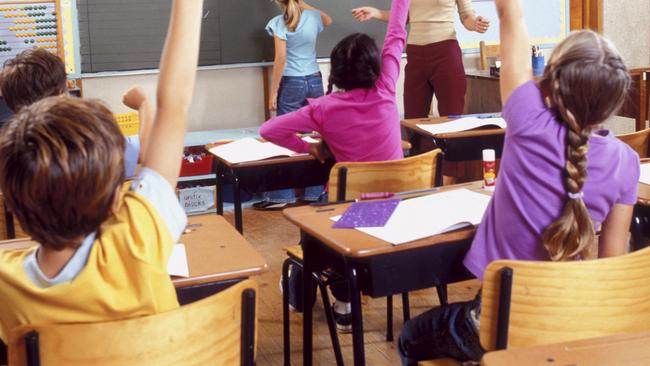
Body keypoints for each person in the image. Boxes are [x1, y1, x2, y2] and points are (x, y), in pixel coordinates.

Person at [397, 0, 639, 364]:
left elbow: (511, 14)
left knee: (409, 338)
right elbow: (611, 264)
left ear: (551, 85)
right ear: (614, 104)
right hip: (573, 322)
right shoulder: (627, 163)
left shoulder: (528, 119)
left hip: (500, 322)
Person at [0, 0, 203, 343]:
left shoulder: (7, 283)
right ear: (116, 199)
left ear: (16, 207)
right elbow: (175, 103)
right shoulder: (139, 237)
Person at [261, 0, 410, 331]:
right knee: (333, 222)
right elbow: (396, 33)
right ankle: (344, 305)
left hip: (349, 216)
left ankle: (307, 295)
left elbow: (268, 129)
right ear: (375, 66)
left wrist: (309, 148)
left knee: (312, 231)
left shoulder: (324, 108)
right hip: (397, 210)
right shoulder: (386, 88)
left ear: (338, 71)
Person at [0, 48, 151, 177]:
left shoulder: (10, 153)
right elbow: (146, 151)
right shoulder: (83, 140)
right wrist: (144, 104)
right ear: (62, 94)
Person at [352, 0, 490, 119]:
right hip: (415, 54)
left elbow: (467, 16)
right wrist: (376, 13)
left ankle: (452, 150)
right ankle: (419, 150)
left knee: (451, 117)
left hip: (445, 52)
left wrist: (476, 23)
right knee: (413, 118)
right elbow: (403, 16)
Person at [255, 0, 332, 210]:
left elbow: (280, 58)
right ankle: (315, 192)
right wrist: (301, 4)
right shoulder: (314, 17)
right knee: (314, 136)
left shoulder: (278, 22)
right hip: (314, 79)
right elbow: (328, 19)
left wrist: (273, 92)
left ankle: (281, 195)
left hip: (291, 82)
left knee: (286, 137)